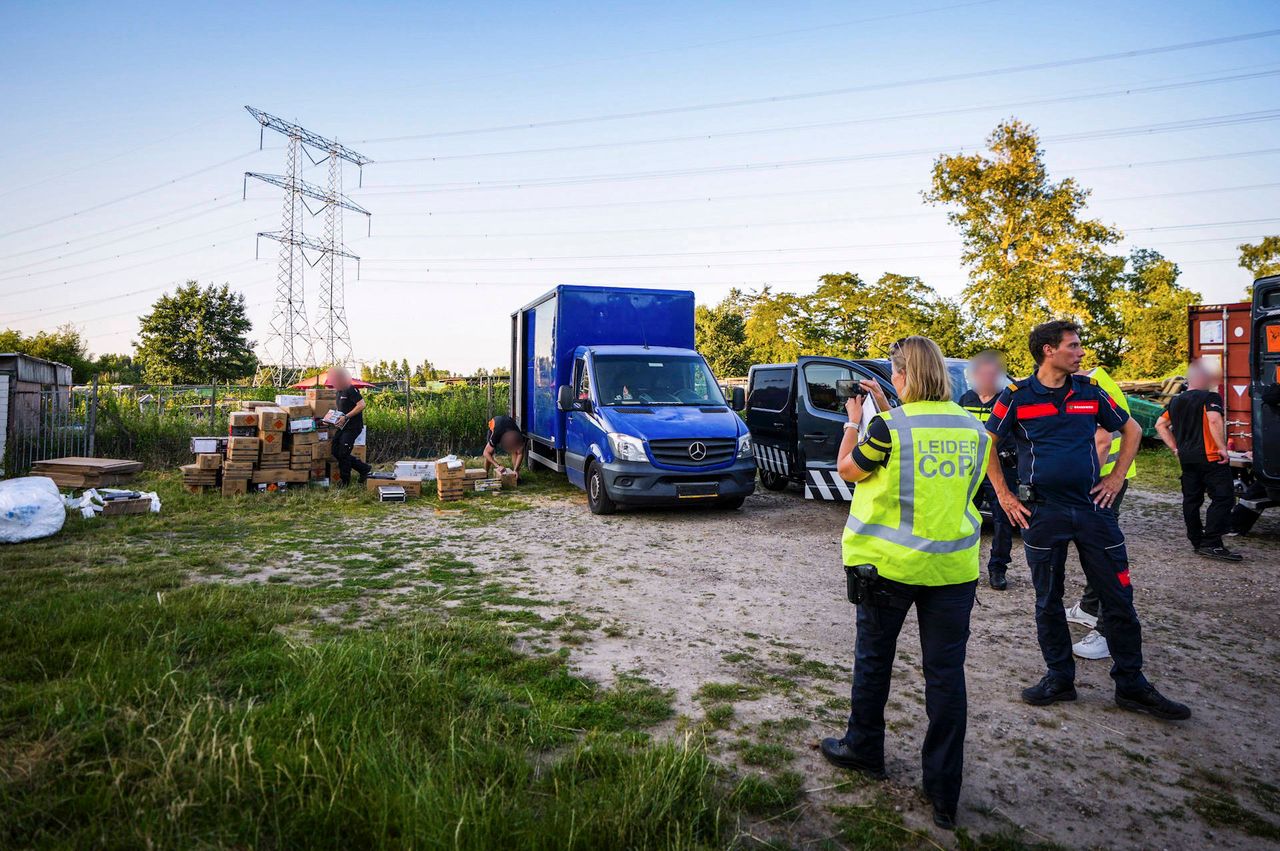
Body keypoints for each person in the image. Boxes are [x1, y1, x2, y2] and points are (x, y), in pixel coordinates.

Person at [820, 336, 989, 831]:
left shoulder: (887, 427)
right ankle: (944, 791)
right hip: (954, 572)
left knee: (874, 662)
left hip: (888, 570)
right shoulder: (973, 428)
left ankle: (864, 748)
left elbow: (848, 470)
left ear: (901, 376)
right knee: (945, 677)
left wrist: (855, 419)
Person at [986, 320, 1191, 721]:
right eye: (1073, 345)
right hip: (1042, 513)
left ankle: (1131, 684)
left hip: (1093, 509)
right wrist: (1006, 497)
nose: (1081, 352)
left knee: (1118, 598)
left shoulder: (1089, 391)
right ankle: (1059, 678)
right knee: (1048, 599)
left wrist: (1115, 478)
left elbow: (1131, 430)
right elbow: (987, 443)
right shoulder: (1016, 396)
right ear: (1048, 350)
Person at [1066, 366, 1140, 662]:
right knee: (1096, 551)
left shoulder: (1091, 385)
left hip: (1103, 482)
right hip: (1108, 480)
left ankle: (1108, 632)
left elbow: (1103, 441)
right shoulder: (1094, 379)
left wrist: (1087, 484)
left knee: (1104, 556)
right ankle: (1089, 608)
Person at [1154, 360, 1242, 561]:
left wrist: (1175, 448)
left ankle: (1197, 541)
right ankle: (1212, 543)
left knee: (1192, 500)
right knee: (1223, 497)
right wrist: (1222, 448)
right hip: (1211, 457)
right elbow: (1213, 419)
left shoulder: (1176, 400)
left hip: (1187, 458)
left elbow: (1160, 425)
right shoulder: (1211, 397)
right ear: (1204, 378)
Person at [959, 350, 1015, 590]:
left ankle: (997, 569)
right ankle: (963, 565)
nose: (986, 378)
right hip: (971, 470)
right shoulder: (965, 400)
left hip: (1000, 470)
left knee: (1003, 521)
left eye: (992, 373)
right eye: (981, 373)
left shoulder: (1007, 400)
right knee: (964, 516)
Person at [331, 367, 372, 486]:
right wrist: (330, 419)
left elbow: (361, 405)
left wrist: (346, 417)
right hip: (342, 427)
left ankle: (345, 482)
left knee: (343, 453)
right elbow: (340, 410)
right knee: (335, 451)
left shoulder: (350, 389)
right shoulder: (338, 392)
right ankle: (364, 468)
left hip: (353, 427)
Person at [483, 413, 526, 479]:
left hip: (508, 423)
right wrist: (497, 466)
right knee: (490, 452)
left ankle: (515, 474)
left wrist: (516, 470)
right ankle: (485, 474)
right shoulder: (496, 435)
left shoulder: (519, 437)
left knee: (514, 451)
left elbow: (520, 453)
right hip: (495, 424)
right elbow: (485, 453)